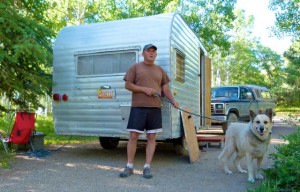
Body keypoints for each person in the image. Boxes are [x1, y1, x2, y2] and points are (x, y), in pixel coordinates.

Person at [120, 44, 179, 179]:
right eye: (148, 51)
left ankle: (147, 167)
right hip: (138, 107)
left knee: (151, 138)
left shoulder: (160, 70)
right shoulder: (135, 67)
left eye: (153, 51)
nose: (151, 53)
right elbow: (128, 85)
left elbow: (166, 89)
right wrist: (144, 89)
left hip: (155, 108)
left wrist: (173, 101)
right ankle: (129, 166)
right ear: (143, 54)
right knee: (134, 136)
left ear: (156, 55)